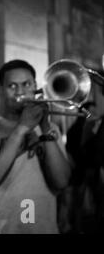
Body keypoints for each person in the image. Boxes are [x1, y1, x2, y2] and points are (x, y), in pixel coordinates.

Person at [0, 59, 71, 233]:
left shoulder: (50, 128)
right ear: (2, 90)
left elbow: (62, 181)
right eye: (12, 86)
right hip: (1, 227)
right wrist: (22, 128)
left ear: (35, 86)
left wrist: (46, 127)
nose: (20, 92)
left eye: (26, 84)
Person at [63, 69, 104, 233]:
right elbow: (75, 148)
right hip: (82, 170)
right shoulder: (79, 128)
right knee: (80, 203)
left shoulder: (95, 125)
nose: (93, 113)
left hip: (91, 171)